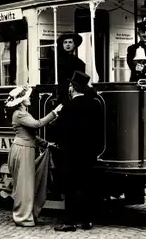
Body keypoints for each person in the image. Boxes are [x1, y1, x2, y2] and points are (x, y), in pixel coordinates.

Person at [5, 86, 63, 227]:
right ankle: (22, 218)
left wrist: (46, 144)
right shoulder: (20, 114)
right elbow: (38, 125)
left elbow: (31, 136)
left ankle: (27, 215)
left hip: (25, 148)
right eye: (27, 97)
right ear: (21, 101)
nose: (29, 98)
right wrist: (54, 113)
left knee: (27, 184)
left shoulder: (22, 113)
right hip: (23, 150)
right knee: (25, 185)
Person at [54, 71, 102, 232]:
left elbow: (61, 130)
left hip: (71, 153)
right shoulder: (94, 104)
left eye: (70, 86)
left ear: (73, 88)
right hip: (89, 153)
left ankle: (69, 222)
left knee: (70, 188)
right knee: (88, 186)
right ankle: (87, 221)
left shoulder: (68, 106)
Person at [56, 32, 86, 104]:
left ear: (74, 45)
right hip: (59, 92)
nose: (67, 44)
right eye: (65, 42)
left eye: (70, 42)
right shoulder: (57, 61)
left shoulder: (80, 63)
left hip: (73, 92)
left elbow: (80, 82)